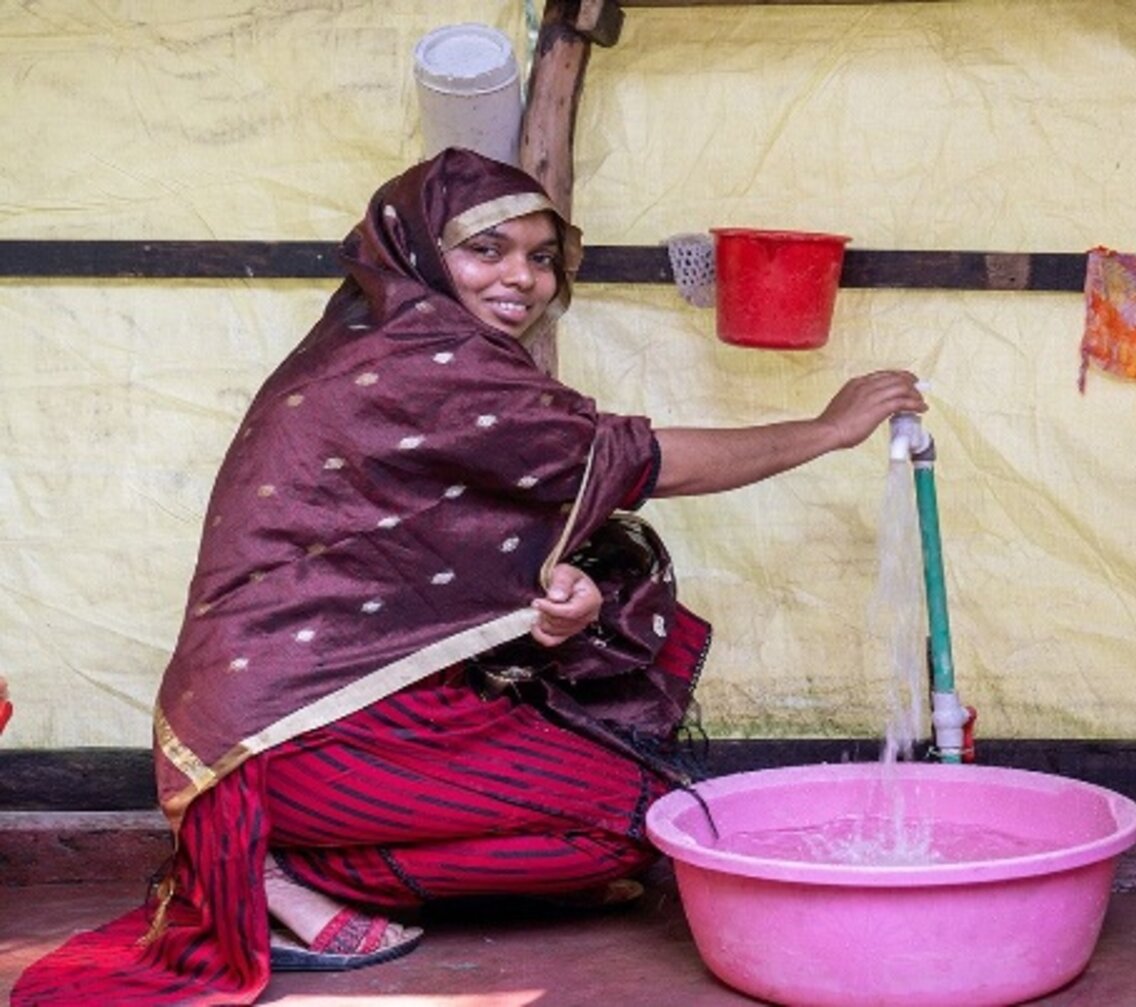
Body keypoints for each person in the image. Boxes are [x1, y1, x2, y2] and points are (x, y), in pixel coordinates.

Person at [14, 147, 925, 1005]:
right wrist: (826, 430)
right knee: (632, 818)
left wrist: (560, 599)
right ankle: (263, 868)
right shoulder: (422, 363)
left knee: (631, 797)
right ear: (417, 251)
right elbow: (632, 461)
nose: (520, 278)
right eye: (486, 250)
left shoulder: (394, 341)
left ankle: (287, 855)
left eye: (541, 256)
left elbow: (432, 538)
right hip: (289, 729)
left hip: (305, 708)